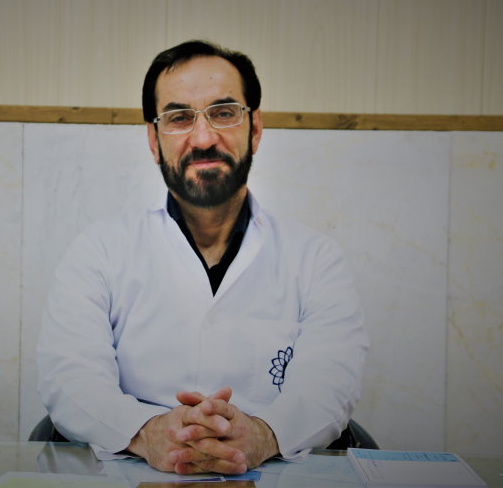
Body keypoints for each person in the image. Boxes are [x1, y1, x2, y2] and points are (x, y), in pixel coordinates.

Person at [37, 40, 368, 475]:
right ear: (154, 141)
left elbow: (331, 385)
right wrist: (148, 433)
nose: (204, 138)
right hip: (133, 471)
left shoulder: (316, 259)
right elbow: (69, 379)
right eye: (179, 118)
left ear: (255, 129)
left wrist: (262, 435)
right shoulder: (99, 251)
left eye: (224, 113)